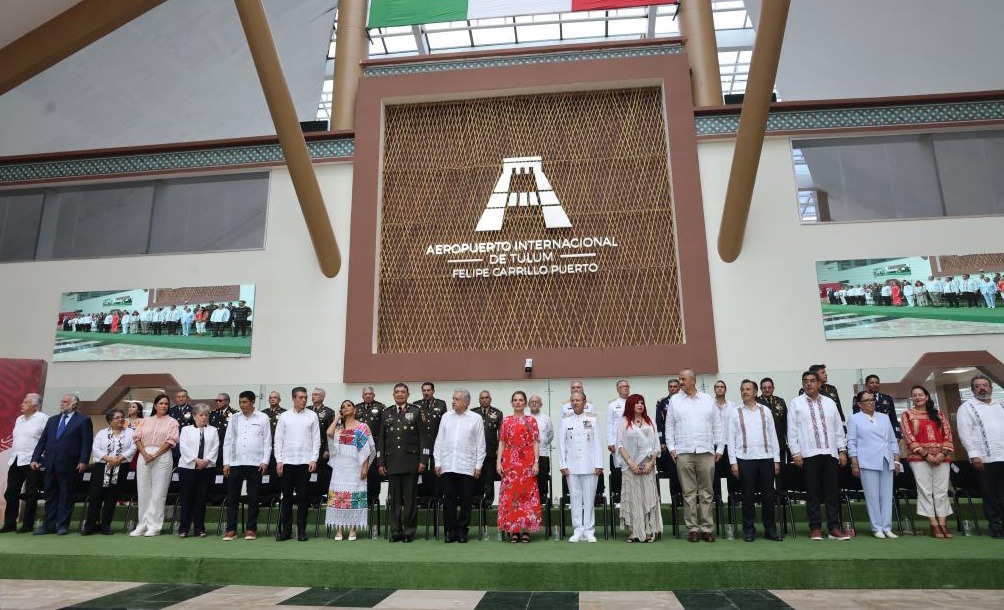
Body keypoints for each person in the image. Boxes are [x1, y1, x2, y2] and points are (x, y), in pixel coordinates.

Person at [788, 371, 850, 541]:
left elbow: (838, 428)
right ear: (802, 384)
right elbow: (792, 431)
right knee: (813, 492)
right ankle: (815, 528)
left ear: (819, 384)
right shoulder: (796, 403)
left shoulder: (830, 403)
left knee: (832, 492)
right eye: (805, 381)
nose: (809, 384)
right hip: (808, 454)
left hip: (830, 453)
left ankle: (834, 528)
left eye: (812, 381)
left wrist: (842, 450)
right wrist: (796, 453)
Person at [667, 369, 723, 542]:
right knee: (688, 493)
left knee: (707, 492)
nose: (680, 382)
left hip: (706, 451)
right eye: (679, 379)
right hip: (684, 451)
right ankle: (692, 528)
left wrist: (720, 447)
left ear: (693, 380)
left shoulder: (708, 400)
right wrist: (671, 447)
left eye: (683, 379)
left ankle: (706, 528)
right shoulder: (675, 400)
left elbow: (717, 425)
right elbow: (669, 426)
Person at [727, 380, 782, 542]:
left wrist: (776, 460)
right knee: (748, 497)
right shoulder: (735, 412)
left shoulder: (765, 411)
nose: (745, 392)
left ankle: (770, 530)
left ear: (756, 392)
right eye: (743, 389)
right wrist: (733, 462)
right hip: (745, 459)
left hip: (766, 458)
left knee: (768, 496)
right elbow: (730, 439)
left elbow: (773, 436)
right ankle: (749, 530)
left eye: (748, 389)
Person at [30, 394, 93, 536]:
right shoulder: (52, 420)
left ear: (74, 405)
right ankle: (48, 525)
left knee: (66, 495)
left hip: (70, 464)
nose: (62, 404)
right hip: (50, 463)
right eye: (61, 401)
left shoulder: (83, 420)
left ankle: (62, 525)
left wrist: (83, 461)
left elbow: (86, 443)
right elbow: (42, 441)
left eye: (65, 402)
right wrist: (35, 458)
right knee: (50, 495)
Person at [901, 386, 954, 538]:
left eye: (920, 394)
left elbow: (948, 434)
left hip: (942, 458)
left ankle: (943, 523)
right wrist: (926, 454)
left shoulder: (938, 414)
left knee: (942, 491)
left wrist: (943, 453)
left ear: (927, 397)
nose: (917, 397)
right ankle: (933, 523)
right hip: (919, 458)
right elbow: (909, 436)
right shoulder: (907, 414)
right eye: (914, 395)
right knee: (925, 490)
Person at [848, 391, 901, 539]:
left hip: (886, 459)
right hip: (867, 460)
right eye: (866, 400)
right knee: (872, 496)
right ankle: (876, 527)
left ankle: (887, 527)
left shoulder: (884, 417)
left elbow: (892, 440)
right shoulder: (854, 419)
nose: (871, 402)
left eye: (872, 400)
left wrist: (896, 460)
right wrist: (854, 462)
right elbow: (851, 442)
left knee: (886, 495)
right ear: (859, 404)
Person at [956, 375, 1004, 539]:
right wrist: (974, 455)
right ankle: (996, 527)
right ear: (972, 390)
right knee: (990, 495)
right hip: (983, 459)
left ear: (991, 388)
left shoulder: (1001, 405)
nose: (982, 388)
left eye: (985, 385)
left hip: (1003, 456)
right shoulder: (967, 407)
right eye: (977, 386)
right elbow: (965, 434)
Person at [378, 383, 427, 542]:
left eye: (403, 392)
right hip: (392, 462)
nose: (400, 394)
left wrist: (423, 460)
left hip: (411, 462)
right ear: (393, 395)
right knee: (394, 500)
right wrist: (380, 462)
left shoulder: (416, 411)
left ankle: (409, 531)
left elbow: (424, 439)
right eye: (397, 392)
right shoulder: (386, 413)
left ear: (408, 394)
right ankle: (395, 531)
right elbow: (382, 441)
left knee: (410, 500)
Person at [435, 389, 485, 543]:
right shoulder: (446, 417)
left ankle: (462, 531)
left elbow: (480, 444)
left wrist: (478, 465)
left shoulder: (476, 418)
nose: (453, 401)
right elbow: (439, 441)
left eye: (457, 399)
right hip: (448, 465)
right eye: (453, 398)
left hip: (467, 465)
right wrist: (438, 462)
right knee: (448, 500)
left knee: (465, 500)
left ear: (466, 402)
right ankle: (450, 531)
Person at [222, 390, 271, 541]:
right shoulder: (234, 418)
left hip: (255, 463)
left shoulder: (263, 417)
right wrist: (226, 463)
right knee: (232, 497)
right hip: (236, 463)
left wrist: (265, 461)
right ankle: (231, 530)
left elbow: (267, 441)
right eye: (240, 402)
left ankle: (251, 529)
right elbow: (228, 441)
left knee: (253, 497)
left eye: (244, 402)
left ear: (252, 402)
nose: (242, 405)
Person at [275, 386, 320, 541]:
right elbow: (278, 440)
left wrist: (314, 458)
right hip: (287, 462)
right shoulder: (284, 416)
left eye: (305, 397)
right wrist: (279, 461)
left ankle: (301, 531)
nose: (303, 400)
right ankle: (285, 531)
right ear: (293, 398)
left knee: (303, 498)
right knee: (286, 497)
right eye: (300, 397)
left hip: (304, 462)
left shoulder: (312, 416)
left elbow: (316, 440)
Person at [325, 400, 374, 541]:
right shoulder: (339, 427)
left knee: (354, 496)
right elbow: (329, 433)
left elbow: (367, 450)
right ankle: (339, 529)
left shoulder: (362, 427)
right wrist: (337, 418)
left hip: (355, 467)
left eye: (348, 406)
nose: (345, 408)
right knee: (339, 497)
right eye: (342, 407)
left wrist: (365, 467)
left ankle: (353, 528)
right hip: (340, 467)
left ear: (355, 410)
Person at [130, 393, 179, 537]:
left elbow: (171, 441)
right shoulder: (145, 421)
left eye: (166, 404)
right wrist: (145, 454)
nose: (163, 406)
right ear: (155, 405)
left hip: (162, 455)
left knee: (159, 493)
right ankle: (142, 524)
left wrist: (155, 454)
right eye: (161, 403)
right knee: (144, 491)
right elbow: (137, 437)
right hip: (144, 455)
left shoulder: (172, 422)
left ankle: (155, 526)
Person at [497, 391, 542, 543]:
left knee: (527, 496)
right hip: (509, 462)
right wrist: (499, 461)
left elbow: (535, 442)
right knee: (511, 495)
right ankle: (514, 530)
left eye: (521, 400)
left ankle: (526, 530)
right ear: (512, 402)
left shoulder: (531, 421)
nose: (518, 402)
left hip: (527, 462)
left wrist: (536, 461)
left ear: (525, 403)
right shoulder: (506, 421)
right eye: (515, 400)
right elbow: (502, 442)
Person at [616, 394, 662, 543]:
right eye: (637, 403)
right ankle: (635, 531)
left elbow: (656, 445)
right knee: (634, 498)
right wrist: (631, 463)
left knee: (647, 497)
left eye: (642, 402)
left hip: (648, 466)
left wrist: (651, 463)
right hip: (631, 467)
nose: (640, 405)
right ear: (631, 405)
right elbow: (620, 445)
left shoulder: (650, 422)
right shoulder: (624, 422)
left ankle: (649, 530)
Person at [559, 391, 603, 542]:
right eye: (573, 400)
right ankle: (578, 530)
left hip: (590, 465)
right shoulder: (566, 420)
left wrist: (599, 464)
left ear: (585, 402)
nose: (575, 403)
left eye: (578, 400)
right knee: (575, 499)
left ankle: (589, 530)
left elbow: (597, 442)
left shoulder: (592, 419)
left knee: (589, 499)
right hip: (572, 466)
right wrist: (562, 464)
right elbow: (561, 444)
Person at [83, 409, 135, 536]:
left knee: (112, 497)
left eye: (122, 417)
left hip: (121, 467)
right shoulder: (102, 433)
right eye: (117, 417)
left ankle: (105, 526)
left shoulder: (130, 432)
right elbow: (95, 448)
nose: (121, 419)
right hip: (102, 467)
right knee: (96, 497)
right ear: (110, 421)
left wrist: (118, 459)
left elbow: (133, 447)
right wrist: (109, 459)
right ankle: (90, 525)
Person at [2, 394, 47, 533]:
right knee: (11, 493)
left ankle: (27, 525)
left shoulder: (43, 419)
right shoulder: (19, 420)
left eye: (26, 402)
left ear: (35, 405)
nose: (22, 404)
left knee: (31, 493)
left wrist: (40, 459)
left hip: (32, 461)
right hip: (16, 459)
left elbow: (46, 441)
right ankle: (10, 524)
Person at [176, 404, 219, 538]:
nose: (204, 417)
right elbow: (183, 447)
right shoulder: (186, 429)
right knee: (187, 498)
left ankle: (199, 528)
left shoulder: (213, 430)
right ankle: (184, 529)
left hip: (206, 468)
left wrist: (206, 460)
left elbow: (215, 447)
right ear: (194, 416)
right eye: (201, 415)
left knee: (201, 499)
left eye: (206, 415)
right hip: (187, 467)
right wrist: (196, 460)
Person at [416, 382, 447, 500]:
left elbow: (445, 424)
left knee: (437, 471)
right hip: (421, 444)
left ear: (433, 391)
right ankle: (422, 496)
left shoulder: (441, 404)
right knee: (421, 471)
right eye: (424, 390)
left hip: (437, 443)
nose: (426, 393)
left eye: (428, 390)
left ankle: (437, 497)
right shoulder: (417, 405)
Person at [354, 386, 385, 504]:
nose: (368, 396)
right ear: (362, 396)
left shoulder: (381, 407)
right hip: (360, 446)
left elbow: (383, 427)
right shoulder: (357, 408)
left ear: (374, 395)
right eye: (366, 394)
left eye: (370, 394)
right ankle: (361, 496)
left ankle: (374, 497)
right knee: (360, 471)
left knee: (373, 472)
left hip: (375, 445)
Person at [472, 390, 502, 507]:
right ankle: (476, 500)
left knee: (489, 477)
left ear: (490, 399)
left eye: (486, 397)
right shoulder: (473, 413)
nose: (484, 400)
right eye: (482, 398)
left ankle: (488, 501)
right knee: (477, 476)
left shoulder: (497, 413)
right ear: (479, 400)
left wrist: (499, 450)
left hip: (490, 450)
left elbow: (501, 433)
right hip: (475, 451)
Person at [528, 394, 554, 506]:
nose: (534, 403)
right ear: (528, 404)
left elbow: (550, 435)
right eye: (532, 402)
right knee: (528, 479)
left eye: (536, 401)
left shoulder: (546, 418)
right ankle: (529, 500)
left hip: (542, 453)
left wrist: (541, 444)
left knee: (542, 477)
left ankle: (543, 500)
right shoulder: (524, 417)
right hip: (527, 455)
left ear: (541, 404)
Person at [606, 379, 629, 501]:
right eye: (622, 386)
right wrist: (610, 442)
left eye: (627, 386)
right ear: (618, 389)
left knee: (631, 467)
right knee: (618, 469)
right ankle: (619, 498)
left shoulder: (634, 402)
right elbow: (609, 424)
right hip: (617, 441)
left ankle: (630, 496)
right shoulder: (613, 405)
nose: (625, 388)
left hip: (631, 441)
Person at [757, 377, 789, 464]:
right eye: (764, 388)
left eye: (769, 387)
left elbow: (786, 423)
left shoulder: (780, 401)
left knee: (781, 471)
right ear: (760, 389)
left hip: (780, 442)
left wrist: (790, 442)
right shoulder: (757, 402)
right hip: (763, 445)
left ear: (773, 388)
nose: (767, 390)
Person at [861, 375, 901, 439]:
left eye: (877, 383)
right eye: (872, 383)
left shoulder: (887, 398)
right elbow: (857, 416)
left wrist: (897, 434)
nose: (875, 384)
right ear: (866, 385)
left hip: (886, 432)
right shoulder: (859, 398)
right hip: (869, 433)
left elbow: (893, 417)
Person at [655, 378, 681, 472]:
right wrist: (662, 441)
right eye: (670, 387)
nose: (672, 388)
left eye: (675, 386)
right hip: (668, 440)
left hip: (682, 439)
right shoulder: (662, 403)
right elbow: (659, 423)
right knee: (672, 470)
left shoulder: (684, 401)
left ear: (679, 388)